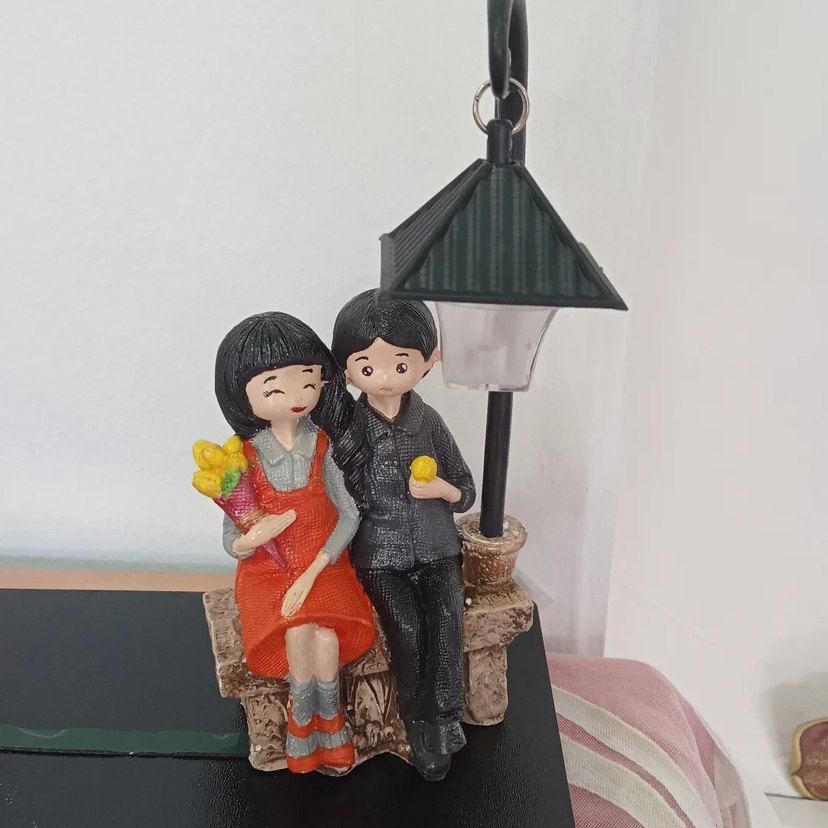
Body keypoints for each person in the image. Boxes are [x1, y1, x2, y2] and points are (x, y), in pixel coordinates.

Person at [214, 312, 375, 774]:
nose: (298, 396)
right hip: (269, 573)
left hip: (325, 565)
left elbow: (350, 514)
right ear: (242, 394)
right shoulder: (242, 457)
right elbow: (231, 537)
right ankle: (304, 721)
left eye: (308, 381)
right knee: (298, 632)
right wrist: (252, 538)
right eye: (275, 389)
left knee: (325, 636)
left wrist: (313, 571)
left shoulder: (323, 445)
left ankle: (327, 718)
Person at [332, 289, 476, 781]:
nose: (385, 378)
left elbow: (466, 489)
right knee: (409, 628)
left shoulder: (428, 422)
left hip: (437, 547)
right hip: (379, 555)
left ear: (428, 361)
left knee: (447, 615)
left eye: (400, 363)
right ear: (347, 371)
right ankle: (419, 722)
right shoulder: (349, 429)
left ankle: (444, 716)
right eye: (367, 367)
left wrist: (441, 489)